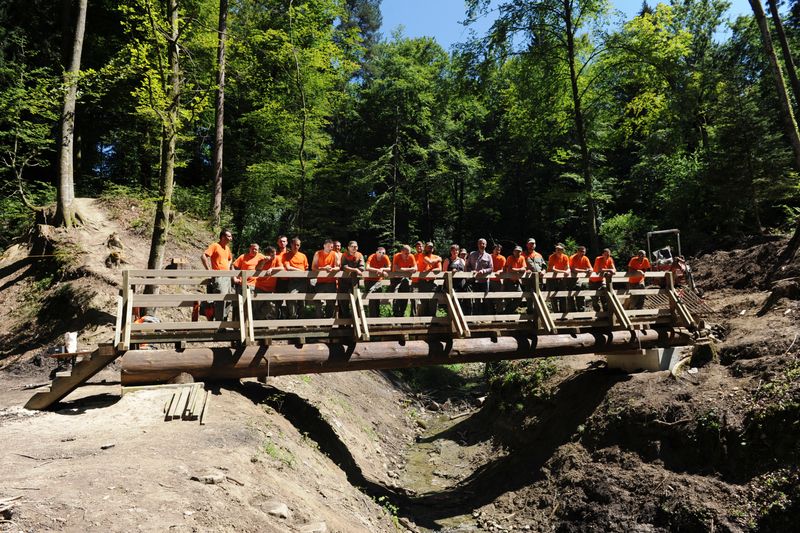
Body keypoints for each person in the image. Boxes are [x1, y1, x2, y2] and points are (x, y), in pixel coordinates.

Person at [201, 229, 233, 321]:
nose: (231, 238)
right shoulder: (215, 246)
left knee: (229, 299)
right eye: (229, 236)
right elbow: (203, 256)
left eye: (231, 236)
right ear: (222, 237)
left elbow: (230, 258)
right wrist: (209, 271)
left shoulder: (227, 248)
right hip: (219, 276)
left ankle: (224, 322)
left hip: (227, 276)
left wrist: (228, 265)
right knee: (221, 299)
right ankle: (219, 323)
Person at [312, 239, 340, 318]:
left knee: (331, 302)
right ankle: (320, 318)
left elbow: (338, 267)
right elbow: (313, 267)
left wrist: (332, 269)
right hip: (320, 281)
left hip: (331, 282)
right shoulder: (318, 253)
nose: (330, 248)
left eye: (331, 247)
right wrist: (324, 268)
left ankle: (328, 320)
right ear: (324, 246)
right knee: (316, 299)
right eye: (328, 246)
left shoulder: (335, 254)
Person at [253, 246, 283, 319]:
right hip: (260, 286)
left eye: (275, 254)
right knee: (257, 307)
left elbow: (281, 268)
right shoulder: (262, 259)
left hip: (270, 288)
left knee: (270, 307)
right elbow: (257, 268)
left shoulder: (277, 258)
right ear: (267, 254)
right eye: (272, 255)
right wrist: (264, 261)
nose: (274, 256)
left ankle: (261, 321)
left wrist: (272, 269)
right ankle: (257, 323)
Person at [282, 237, 309, 319]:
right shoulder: (286, 255)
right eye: (294, 244)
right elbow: (288, 267)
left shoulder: (303, 256)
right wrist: (300, 270)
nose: (296, 246)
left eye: (298, 245)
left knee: (302, 301)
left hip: (303, 281)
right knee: (291, 298)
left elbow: (306, 268)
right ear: (291, 244)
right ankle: (293, 317)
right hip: (293, 281)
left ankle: (301, 320)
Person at [465, 238, 493, 315]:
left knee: (485, 299)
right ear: (477, 244)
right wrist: (471, 271)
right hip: (474, 280)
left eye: (483, 244)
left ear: (486, 245)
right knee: (476, 300)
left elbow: (491, 268)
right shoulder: (472, 254)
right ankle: (476, 317)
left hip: (484, 281)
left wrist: (483, 271)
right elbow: (467, 266)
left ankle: (485, 317)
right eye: (480, 243)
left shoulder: (488, 256)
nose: (482, 245)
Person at [339, 241, 365, 318]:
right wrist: (355, 270)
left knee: (356, 299)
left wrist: (354, 270)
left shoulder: (359, 255)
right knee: (343, 300)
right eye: (352, 246)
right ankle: (345, 318)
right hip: (344, 281)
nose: (354, 248)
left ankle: (356, 317)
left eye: (355, 246)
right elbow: (344, 267)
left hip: (355, 281)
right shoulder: (344, 255)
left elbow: (362, 267)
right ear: (348, 247)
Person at [416, 242, 442, 316]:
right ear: (425, 248)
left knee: (433, 301)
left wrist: (429, 271)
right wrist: (438, 259)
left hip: (432, 282)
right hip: (422, 282)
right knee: (423, 302)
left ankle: (432, 319)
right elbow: (429, 262)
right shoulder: (422, 255)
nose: (429, 249)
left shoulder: (435, 257)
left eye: (431, 247)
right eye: (428, 247)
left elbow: (439, 269)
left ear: (433, 249)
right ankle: (423, 320)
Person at [365, 246, 391, 317]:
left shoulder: (385, 257)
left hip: (378, 280)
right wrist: (378, 270)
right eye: (380, 252)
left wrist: (382, 269)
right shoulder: (372, 256)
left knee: (377, 299)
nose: (382, 254)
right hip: (369, 280)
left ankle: (376, 317)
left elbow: (389, 268)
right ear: (376, 252)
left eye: (383, 253)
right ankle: (372, 318)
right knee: (372, 299)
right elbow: (367, 267)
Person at [391, 245, 417, 317]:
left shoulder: (411, 256)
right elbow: (396, 268)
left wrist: (403, 270)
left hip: (405, 278)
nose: (408, 255)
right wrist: (409, 269)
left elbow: (415, 268)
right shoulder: (397, 256)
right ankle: (396, 315)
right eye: (406, 253)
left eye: (409, 253)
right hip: (395, 278)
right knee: (395, 296)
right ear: (401, 252)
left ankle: (402, 314)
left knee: (405, 296)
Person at [547, 243, 571, 313]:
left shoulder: (565, 257)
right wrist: (564, 271)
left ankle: (563, 313)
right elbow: (552, 269)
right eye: (557, 249)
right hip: (552, 279)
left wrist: (568, 271)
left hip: (561, 279)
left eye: (560, 249)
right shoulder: (552, 257)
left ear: (563, 250)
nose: (558, 250)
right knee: (553, 297)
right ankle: (556, 313)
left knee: (563, 296)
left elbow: (568, 268)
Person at [504, 245, 527, 314]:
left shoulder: (522, 258)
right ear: (513, 252)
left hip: (516, 281)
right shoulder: (510, 258)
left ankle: (507, 312)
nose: (517, 253)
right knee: (508, 298)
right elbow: (509, 270)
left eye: (519, 251)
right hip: (508, 280)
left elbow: (524, 269)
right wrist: (520, 270)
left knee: (520, 297)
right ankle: (508, 314)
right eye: (516, 251)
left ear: (521, 252)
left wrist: (516, 270)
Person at [569, 245, 592, 311]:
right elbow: (573, 269)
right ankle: (572, 310)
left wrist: (589, 270)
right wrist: (585, 271)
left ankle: (581, 309)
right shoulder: (572, 258)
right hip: (570, 279)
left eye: (584, 252)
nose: (583, 253)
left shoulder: (585, 258)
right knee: (570, 294)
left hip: (578, 278)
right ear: (578, 251)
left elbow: (590, 268)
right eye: (581, 251)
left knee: (579, 292)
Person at [274, 235, 290, 318]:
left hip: (290, 280)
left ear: (287, 242)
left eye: (284, 241)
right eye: (280, 241)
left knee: (290, 301)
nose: (282, 243)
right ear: (277, 242)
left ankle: (289, 319)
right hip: (278, 280)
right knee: (278, 300)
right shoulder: (274, 253)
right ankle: (277, 318)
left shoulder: (290, 253)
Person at [489, 244, 506, 314]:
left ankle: (499, 314)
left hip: (498, 281)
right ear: (493, 250)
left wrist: (499, 271)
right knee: (489, 298)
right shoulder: (489, 256)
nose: (498, 250)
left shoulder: (502, 258)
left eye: (499, 249)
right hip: (489, 280)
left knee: (499, 298)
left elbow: (504, 269)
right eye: (496, 249)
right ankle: (491, 313)